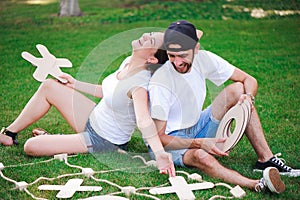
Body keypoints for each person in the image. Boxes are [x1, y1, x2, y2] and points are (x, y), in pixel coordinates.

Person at [147, 20, 295, 193]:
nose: (177, 62)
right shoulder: (161, 83)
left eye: (182, 55)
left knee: (239, 90)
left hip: (196, 125)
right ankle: (257, 184)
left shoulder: (205, 59)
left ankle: (266, 160)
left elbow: (249, 80)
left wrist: (248, 98)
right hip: (167, 143)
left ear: (196, 48)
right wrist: (200, 143)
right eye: (172, 55)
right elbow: (159, 138)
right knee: (201, 156)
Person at [0, 32, 175, 177]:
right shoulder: (128, 62)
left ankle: (58, 140)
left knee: (31, 146)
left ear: (152, 59)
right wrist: (74, 83)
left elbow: (144, 120)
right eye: (149, 34)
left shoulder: (139, 86)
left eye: (150, 40)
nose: (144, 35)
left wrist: (160, 154)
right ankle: (9, 133)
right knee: (49, 86)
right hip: (92, 117)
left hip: (102, 140)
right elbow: (108, 91)